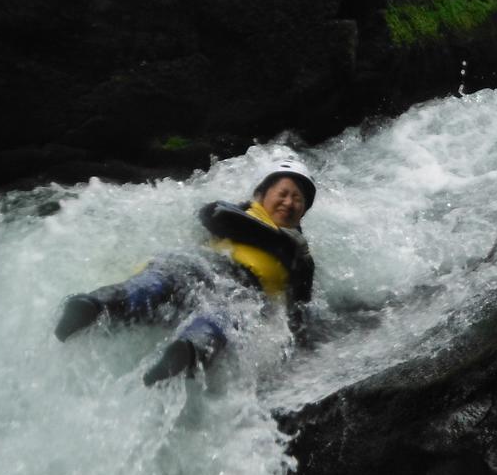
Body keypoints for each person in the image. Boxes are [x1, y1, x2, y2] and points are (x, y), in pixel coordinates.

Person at [54, 158, 317, 385]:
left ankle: (184, 354)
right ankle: (92, 307)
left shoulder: (302, 258)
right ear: (262, 194)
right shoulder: (237, 212)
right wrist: (279, 243)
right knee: (155, 284)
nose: (289, 202)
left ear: (303, 211)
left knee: (226, 317)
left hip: (244, 291)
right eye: (283, 193)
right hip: (198, 265)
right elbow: (210, 218)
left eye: (297, 198)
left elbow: (298, 312)